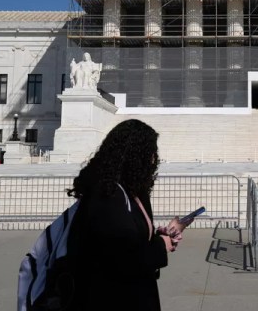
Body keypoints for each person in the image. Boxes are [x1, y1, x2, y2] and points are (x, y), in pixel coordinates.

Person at [66, 119, 188, 311]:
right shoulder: (107, 195)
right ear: (135, 155)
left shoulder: (130, 191)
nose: (154, 160)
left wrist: (159, 235)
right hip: (111, 299)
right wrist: (160, 245)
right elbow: (122, 259)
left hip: (131, 295)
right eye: (151, 153)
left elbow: (129, 239)